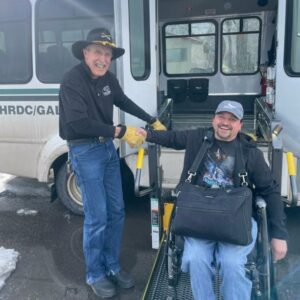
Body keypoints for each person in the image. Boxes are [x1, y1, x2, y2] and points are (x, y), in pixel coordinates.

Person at [138, 100, 288, 300]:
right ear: (214, 119)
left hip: (236, 220)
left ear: (240, 125)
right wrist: (146, 134)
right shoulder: (198, 138)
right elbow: (171, 137)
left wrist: (279, 234)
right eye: (221, 117)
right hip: (199, 217)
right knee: (195, 258)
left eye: (232, 119)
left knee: (232, 264)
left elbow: (270, 191)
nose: (225, 123)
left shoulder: (249, 151)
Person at [58, 28, 166, 299]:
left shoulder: (109, 79)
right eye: (97, 52)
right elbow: (78, 123)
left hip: (106, 149)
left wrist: (151, 120)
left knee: (117, 211)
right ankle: (95, 273)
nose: (103, 59)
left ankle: (112, 266)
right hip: (84, 151)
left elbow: (124, 101)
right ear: (85, 53)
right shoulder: (71, 81)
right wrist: (120, 131)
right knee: (97, 217)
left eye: (107, 54)